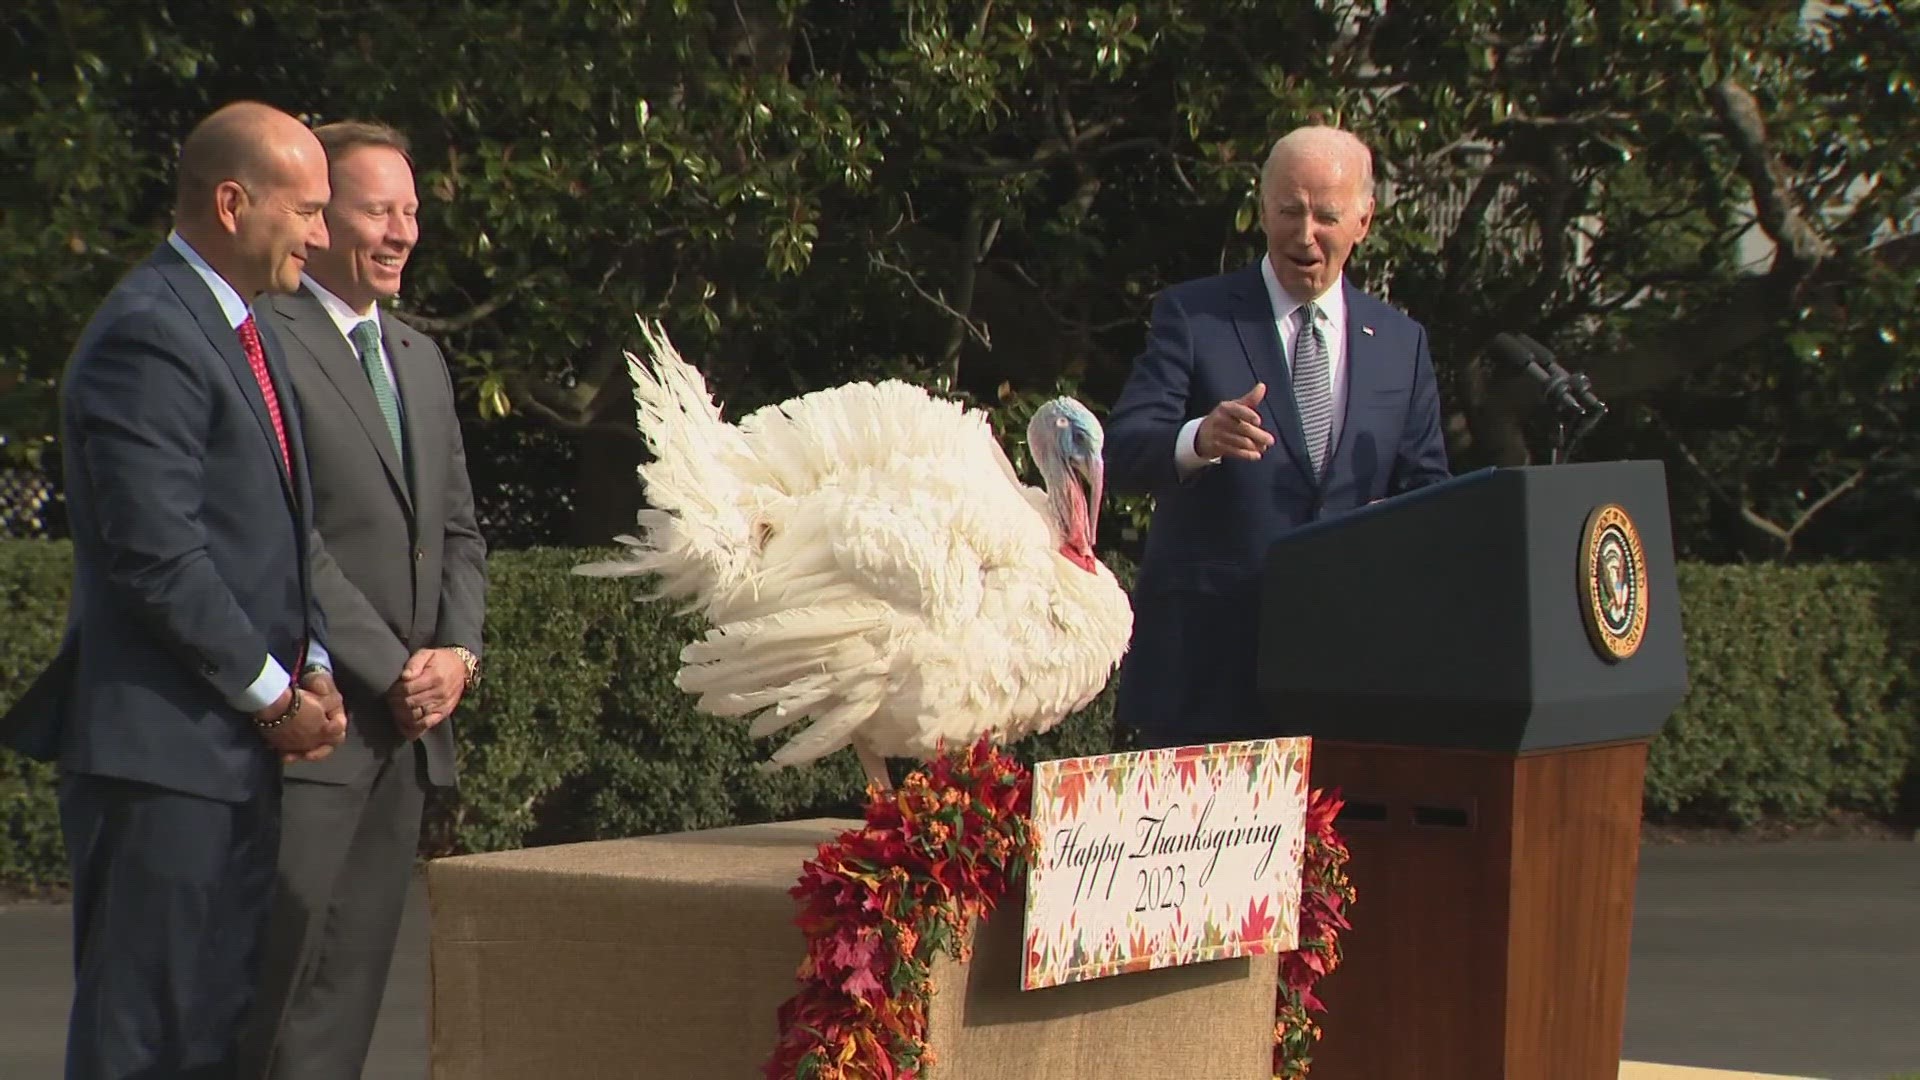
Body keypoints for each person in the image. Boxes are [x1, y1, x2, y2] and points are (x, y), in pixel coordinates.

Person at [0, 101, 349, 1078]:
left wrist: (313, 662)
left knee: (209, 1037)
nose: (323, 236)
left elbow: (280, 532)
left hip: (224, 757)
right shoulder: (146, 334)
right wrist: (276, 698)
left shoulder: (251, 331)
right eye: (310, 210)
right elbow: (158, 556)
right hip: (163, 764)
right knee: (145, 1041)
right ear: (234, 203)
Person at [239, 120, 488, 1080]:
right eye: (377, 209)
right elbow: (280, 535)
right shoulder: (266, 338)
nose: (401, 232)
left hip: (408, 739)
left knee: (348, 1002)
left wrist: (458, 657)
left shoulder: (420, 360)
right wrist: (393, 670)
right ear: (318, 215)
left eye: (412, 212)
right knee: (267, 995)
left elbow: (460, 531)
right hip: (320, 727)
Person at [1104, 125, 1451, 749]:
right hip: (1208, 667)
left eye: (1327, 215)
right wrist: (1199, 439)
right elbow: (1124, 448)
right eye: (1289, 211)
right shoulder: (1196, 316)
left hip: (1348, 671)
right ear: (1263, 209)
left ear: (1364, 220)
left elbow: (1430, 490)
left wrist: (1396, 526)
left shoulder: (1402, 344)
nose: (1306, 233)